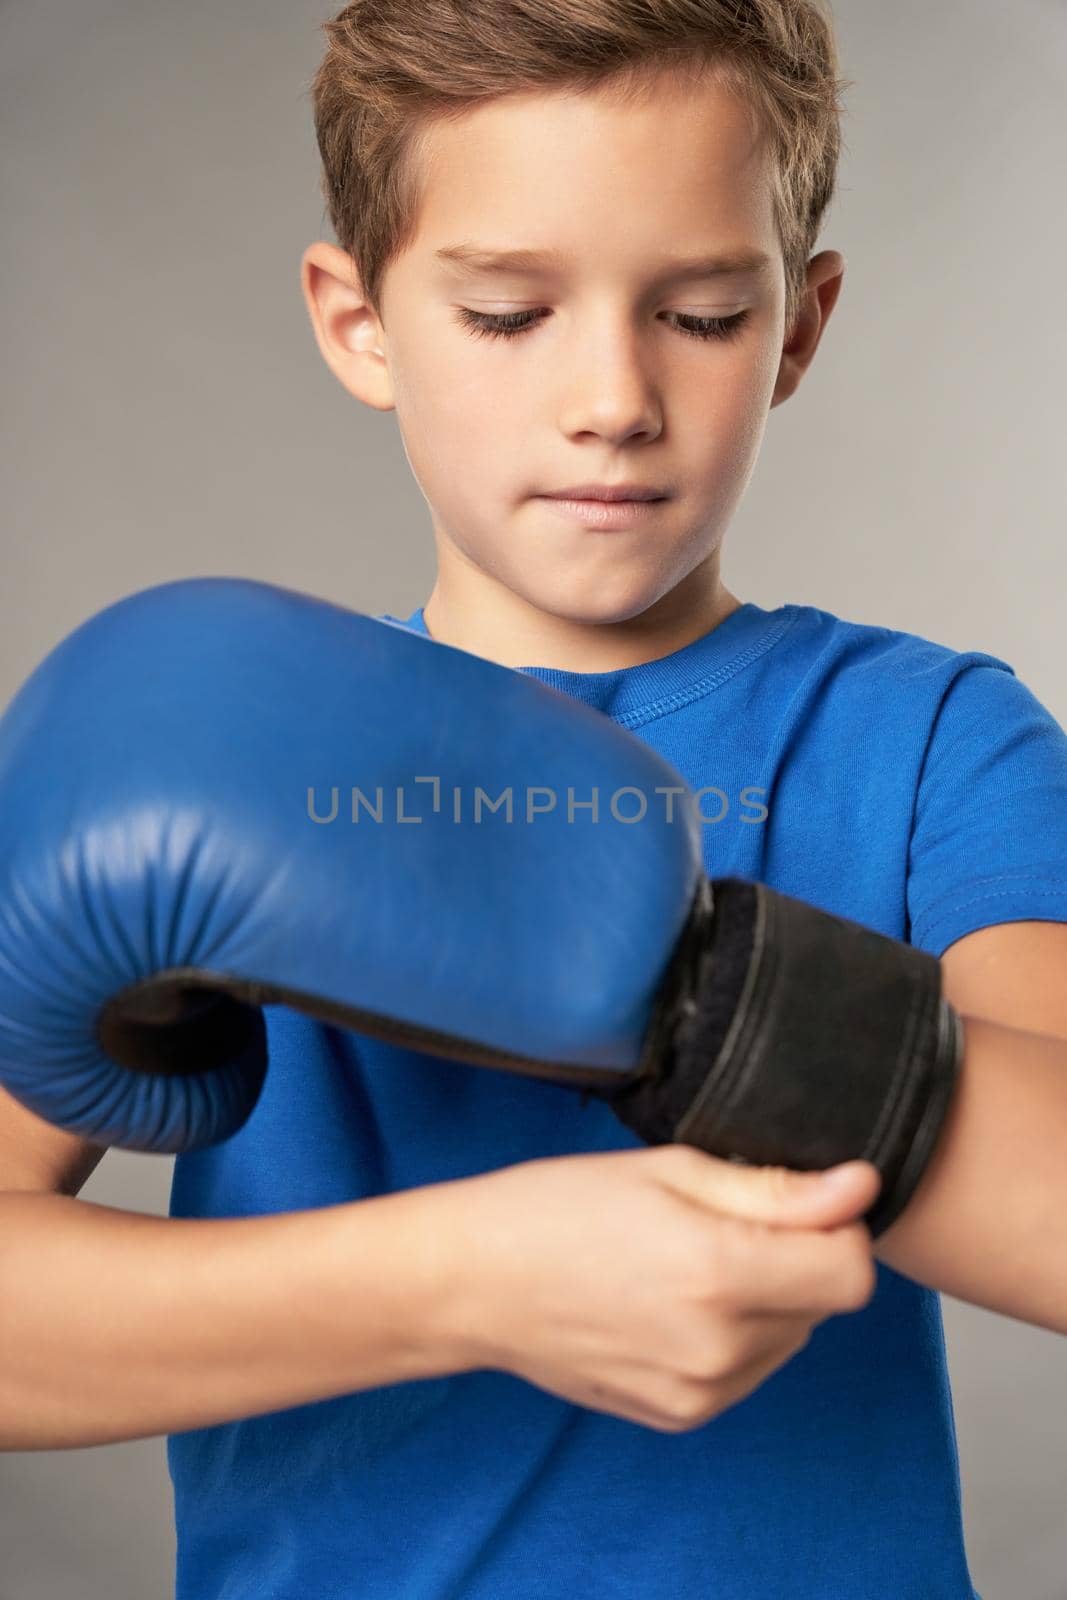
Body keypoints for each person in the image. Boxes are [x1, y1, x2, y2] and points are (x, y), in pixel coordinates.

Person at [2, 2, 1066, 1596]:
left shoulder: (924, 738)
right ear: (358, 323)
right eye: (508, 313)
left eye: (702, 313)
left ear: (800, 324)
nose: (613, 397)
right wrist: (460, 1283)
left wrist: (697, 1002)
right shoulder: (247, 754)